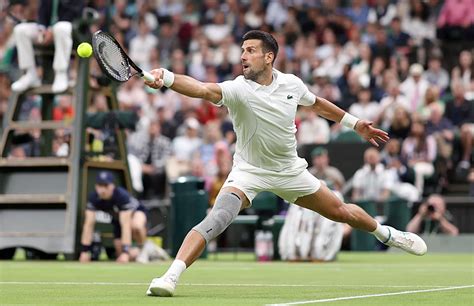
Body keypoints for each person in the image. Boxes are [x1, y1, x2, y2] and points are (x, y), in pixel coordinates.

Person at [143, 30, 427, 297]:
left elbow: (317, 104)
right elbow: (203, 89)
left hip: (290, 171)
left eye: (251, 50)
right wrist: (166, 77)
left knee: (340, 211)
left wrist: (355, 124)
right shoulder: (237, 89)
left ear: (269, 57)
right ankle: (170, 277)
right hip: (248, 172)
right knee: (218, 218)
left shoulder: (292, 84)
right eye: (242, 50)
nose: (243, 56)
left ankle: (388, 235)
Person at [11, 0, 83, 93]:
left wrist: (52, 30)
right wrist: (42, 28)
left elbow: (73, 13)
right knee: (20, 30)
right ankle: (30, 74)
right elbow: (43, 11)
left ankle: (61, 73)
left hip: (71, 31)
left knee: (61, 27)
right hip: (48, 31)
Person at [79, 171, 150, 263]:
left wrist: (125, 252)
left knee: (136, 225)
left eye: (106, 186)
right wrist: (84, 251)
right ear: (96, 186)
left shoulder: (121, 196)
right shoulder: (94, 198)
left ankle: (144, 249)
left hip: (136, 213)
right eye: (100, 186)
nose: (103, 190)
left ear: (112, 186)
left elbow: (125, 225)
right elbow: (88, 225)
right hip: (117, 220)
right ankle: (148, 251)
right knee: (122, 255)